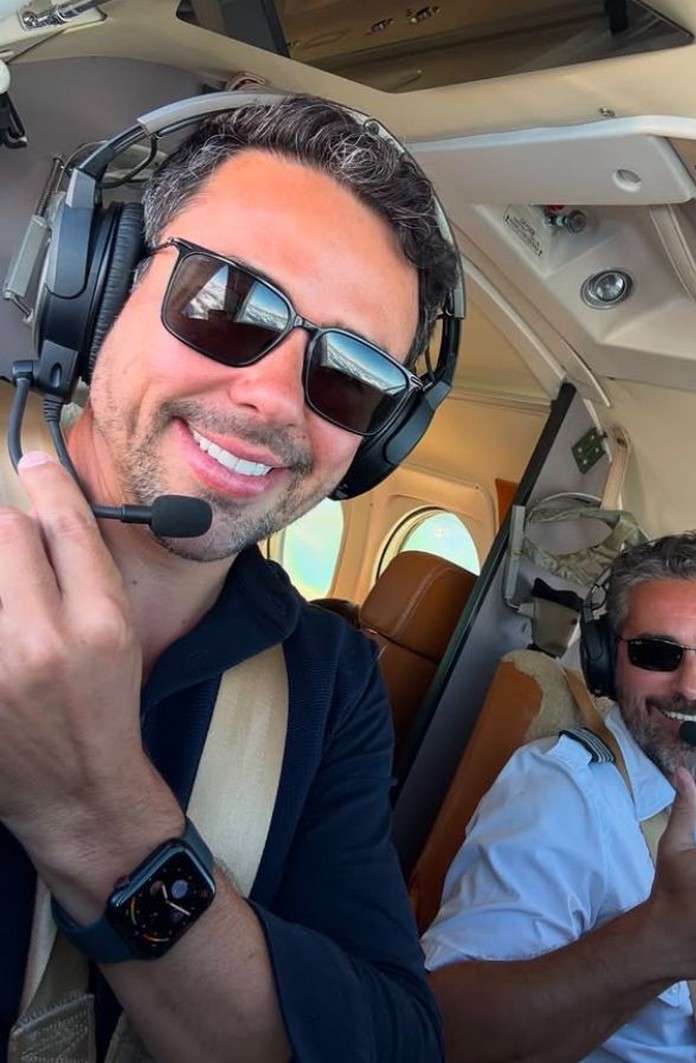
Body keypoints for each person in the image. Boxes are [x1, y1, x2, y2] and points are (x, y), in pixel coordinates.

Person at [0, 92, 460, 1062]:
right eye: (227, 301)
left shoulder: (330, 682)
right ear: (104, 284)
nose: (274, 400)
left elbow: (393, 1043)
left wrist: (103, 822)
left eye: (353, 375)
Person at [423, 532, 696, 1063]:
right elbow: (449, 1035)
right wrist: (659, 941)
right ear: (607, 666)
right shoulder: (558, 794)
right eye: (655, 652)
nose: (692, 686)